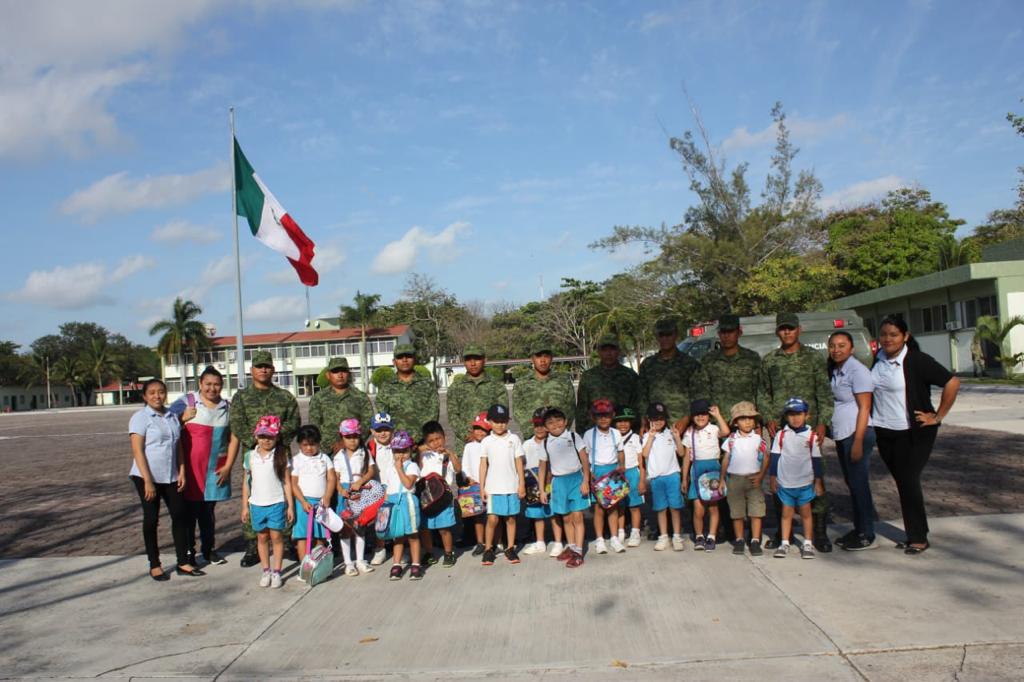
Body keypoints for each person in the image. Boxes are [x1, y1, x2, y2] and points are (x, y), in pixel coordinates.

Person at [871, 315, 959, 555]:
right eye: (884, 334)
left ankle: (919, 537)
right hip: (884, 431)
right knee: (903, 482)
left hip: (914, 432)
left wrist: (937, 416)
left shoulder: (917, 360)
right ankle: (914, 533)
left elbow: (952, 383)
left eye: (894, 335)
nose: (888, 339)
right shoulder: (876, 360)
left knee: (909, 481)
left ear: (905, 337)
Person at [757, 313, 834, 552]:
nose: (786, 333)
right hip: (782, 431)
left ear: (799, 330)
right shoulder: (770, 360)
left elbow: (824, 392)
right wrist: (769, 416)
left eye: (790, 329)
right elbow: (763, 393)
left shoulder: (813, 357)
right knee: (781, 477)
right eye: (782, 329)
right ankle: (784, 532)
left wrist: (822, 422)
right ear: (777, 332)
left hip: (808, 430)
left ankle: (819, 532)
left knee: (814, 475)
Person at [227, 350, 301, 567]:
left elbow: (294, 422)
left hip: (279, 455)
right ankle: (252, 547)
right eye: (259, 366)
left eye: (267, 366)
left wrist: (274, 440)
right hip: (253, 454)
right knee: (254, 494)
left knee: (283, 493)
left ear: (273, 370)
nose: (263, 370)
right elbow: (237, 423)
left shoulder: (284, 397)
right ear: (252, 371)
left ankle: (286, 543)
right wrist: (259, 440)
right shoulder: (241, 397)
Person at [692, 313, 762, 541]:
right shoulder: (709, 361)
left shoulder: (752, 359)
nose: (727, 335)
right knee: (720, 477)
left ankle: (750, 529)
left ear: (739, 332)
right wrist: (708, 426)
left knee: (748, 475)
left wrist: (757, 424)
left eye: (731, 331)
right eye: (723, 331)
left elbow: (759, 391)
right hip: (718, 428)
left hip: (747, 426)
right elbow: (702, 392)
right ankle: (725, 526)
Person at [128, 379, 200, 581]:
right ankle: (155, 564)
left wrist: (182, 470)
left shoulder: (171, 417)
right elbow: (137, 450)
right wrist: (148, 481)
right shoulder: (140, 418)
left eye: (161, 392)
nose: (157, 396)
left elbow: (178, 446)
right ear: (144, 396)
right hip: (146, 476)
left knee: (180, 515)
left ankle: (182, 561)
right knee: (151, 519)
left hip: (171, 475)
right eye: (152, 393)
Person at [169, 365, 231, 567]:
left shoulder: (227, 407)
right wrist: (181, 418)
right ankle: (189, 552)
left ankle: (209, 549)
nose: (212, 389)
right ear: (200, 384)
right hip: (190, 470)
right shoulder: (186, 402)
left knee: (208, 512)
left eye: (217, 385)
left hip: (214, 469)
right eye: (208, 384)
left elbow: (233, 439)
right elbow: (165, 425)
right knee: (189, 513)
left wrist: (228, 465)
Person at [827, 331, 878, 551]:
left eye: (842, 345)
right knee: (853, 484)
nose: (836, 350)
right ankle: (858, 529)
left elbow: (865, 407)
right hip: (843, 433)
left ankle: (866, 533)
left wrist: (857, 441)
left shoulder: (858, 371)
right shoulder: (838, 369)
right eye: (833, 346)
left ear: (852, 348)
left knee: (859, 484)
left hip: (856, 433)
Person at [240, 415, 295, 588]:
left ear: (277, 437)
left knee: (277, 537)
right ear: (256, 436)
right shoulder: (250, 456)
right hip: (256, 504)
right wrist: (245, 506)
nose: (266, 440)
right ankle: (266, 570)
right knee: (262, 537)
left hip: (276, 503)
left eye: (270, 436)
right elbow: (246, 483)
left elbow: (286, 482)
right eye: (262, 436)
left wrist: (290, 505)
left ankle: (277, 571)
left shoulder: (281, 455)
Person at [769, 398, 824, 560]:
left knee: (806, 513)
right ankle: (784, 542)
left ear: (807, 415)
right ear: (786, 417)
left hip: (805, 483)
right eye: (791, 414)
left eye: (799, 414)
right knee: (786, 514)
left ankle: (808, 543)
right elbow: (774, 457)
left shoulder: (812, 436)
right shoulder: (781, 435)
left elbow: (816, 460)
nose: (795, 418)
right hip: (786, 483)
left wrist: (818, 481)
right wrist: (772, 478)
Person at [537, 407, 591, 568]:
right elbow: (542, 468)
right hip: (559, 483)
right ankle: (572, 547)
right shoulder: (546, 442)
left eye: (559, 420)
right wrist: (541, 490)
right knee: (566, 517)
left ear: (565, 421)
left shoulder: (574, 437)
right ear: (545, 427)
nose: (555, 425)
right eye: (550, 422)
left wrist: (586, 480)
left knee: (578, 516)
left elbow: (585, 460)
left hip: (576, 480)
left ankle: (579, 552)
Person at [479, 404, 526, 566]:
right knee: (492, 519)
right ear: (489, 422)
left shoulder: (514, 439)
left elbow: (519, 462)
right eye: (496, 421)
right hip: (493, 488)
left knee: (511, 519)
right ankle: (488, 549)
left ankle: (510, 548)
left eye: (503, 421)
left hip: (511, 486)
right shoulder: (486, 441)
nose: (500, 425)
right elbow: (483, 464)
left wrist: (521, 484)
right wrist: (481, 487)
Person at [719, 402, 769, 556]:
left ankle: (754, 540)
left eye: (750, 418)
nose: (747, 422)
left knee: (756, 511)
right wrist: (722, 479)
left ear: (755, 421)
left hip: (753, 480)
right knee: (737, 512)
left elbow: (766, 457)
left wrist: (761, 475)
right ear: (735, 422)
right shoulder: (732, 440)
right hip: (735, 480)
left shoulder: (758, 439)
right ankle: (739, 539)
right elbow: (726, 459)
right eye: (742, 419)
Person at [637, 318, 701, 434]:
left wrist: (686, 419)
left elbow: (698, 394)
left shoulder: (690, 364)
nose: (665, 339)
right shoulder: (648, 364)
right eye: (661, 335)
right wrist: (644, 419)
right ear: (657, 337)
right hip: (655, 426)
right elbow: (642, 396)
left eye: (669, 334)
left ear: (675, 335)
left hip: (683, 426)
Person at [682, 400, 730, 551]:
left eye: (703, 414)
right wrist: (684, 478)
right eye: (697, 414)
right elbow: (686, 457)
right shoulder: (690, 432)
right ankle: (699, 536)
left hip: (713, 469)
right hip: (697, 470)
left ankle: (711, 536)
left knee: (713, 507)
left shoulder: (714, 428)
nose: (700, 417)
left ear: (708, 415)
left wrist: (718, 415)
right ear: (692, 416)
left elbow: (726, 432)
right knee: (698, 508)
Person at [639, 402, 687, 552]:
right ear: (649, 419)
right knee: (660, 508)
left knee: (675, 508)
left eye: (661, 418)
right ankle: (663, 536)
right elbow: (645, 454)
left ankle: (677, 536)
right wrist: (651, 438)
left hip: (672, 476)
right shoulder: (647, 436)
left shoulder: (670, 434)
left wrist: (677, 438)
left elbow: (681, 453)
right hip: (657, 478)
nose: (658, 422)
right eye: (655, 418)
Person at [445, 345, 507, 455]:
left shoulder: (496, 385)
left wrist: (487, 434)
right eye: (468, 359)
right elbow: (453, 415)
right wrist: (467, 434)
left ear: (484, 360)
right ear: (464, 362)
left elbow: (502, 413)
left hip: (492, 443)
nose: (473, 363)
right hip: (465, 445)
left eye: (477, 359)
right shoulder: (455, 387)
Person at [583, 399, 626, 554]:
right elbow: (585, 456)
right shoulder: (588, 434)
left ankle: (614, 538)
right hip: (597, 472)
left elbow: (620, 452)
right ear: (593, 417)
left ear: (612, 415)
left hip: (613, 472)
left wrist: (621, 467)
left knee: (613, 507)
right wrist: (589, 474)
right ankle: (600, 539)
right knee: (599, 508)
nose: (603, 418)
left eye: (606, 415)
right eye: (599, 415)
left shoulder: (616, 433)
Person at [333, 418, 375, 575]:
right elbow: (335, 476)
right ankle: (348, 562)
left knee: (360, 527)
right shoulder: (338, 456)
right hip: (345, 492)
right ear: (342, 437)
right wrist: (340, 489)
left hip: (360, 491)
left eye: (355, 437)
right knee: (346, 528)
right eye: (348, 437)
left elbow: (371, 471)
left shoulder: (364, 453)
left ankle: (360, 560)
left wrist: (361, 482)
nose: (352, 441)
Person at [290, 425, 336, 569]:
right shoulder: (296, 460)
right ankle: (305, 566)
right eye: (305, 445)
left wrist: (327, 497)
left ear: (318, 443)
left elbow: (331, 479)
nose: (309, 448)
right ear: (299, 444)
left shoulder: (325, 458)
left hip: (321, 503)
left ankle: (319, 565)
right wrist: (303, 501)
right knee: (303, 535)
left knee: (320, 535)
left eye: (313, 444)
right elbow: (294, 484)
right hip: (303, 504)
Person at [374, 343, 440, 443]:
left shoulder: (427, 384)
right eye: (400, 357)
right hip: (396, 443)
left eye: (408, 356)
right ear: (394, 361)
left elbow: (433, 414)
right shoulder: (386, 387)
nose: (404, 360)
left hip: (423, 443)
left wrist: (420, 437)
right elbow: (384, 418)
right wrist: (399, 438)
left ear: (415, 359)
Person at [380, 430, 423, 580]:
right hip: (392, 502)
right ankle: (396, 564)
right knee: (397, 536)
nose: (401, 455)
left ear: (411, 450)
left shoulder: (412, 466)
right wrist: (384, 506)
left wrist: (399, 469)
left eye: (404, 451)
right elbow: (387, 487)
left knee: (412, 534)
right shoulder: (389, 467)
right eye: (397, 451)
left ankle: (416, 564)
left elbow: (408, 483)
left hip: (407, 501)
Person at [308, 356, 373, 455]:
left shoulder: (360, 397)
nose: (340, 375)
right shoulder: (318, 398)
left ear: (349, 374)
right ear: (328, 375)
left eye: (343, 371)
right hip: (326, 453)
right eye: (335, 371)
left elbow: (368, 423)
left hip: (354, 451)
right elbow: (314, 425)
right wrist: (328, 446)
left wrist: (348, 443)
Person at [575, 336, 639, 436]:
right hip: (595, 434)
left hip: (623, 433)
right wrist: (581, 435)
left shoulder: (630, 376)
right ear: (599, 352)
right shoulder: (589, 376)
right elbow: (581, 409)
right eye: (604, 350)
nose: (608, 353)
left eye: (612, 349)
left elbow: (637, 406)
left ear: (618, 351)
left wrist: (635, 432)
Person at [418, 420, 461, 567]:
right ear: (426, 442)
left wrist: (449, 453)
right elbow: (416, 453)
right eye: (431, 441)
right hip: (426, 497)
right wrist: (426, 447)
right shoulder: (424, 455)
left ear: (444, 437)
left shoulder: (448, 456)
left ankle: (449, 553)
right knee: (425, 528)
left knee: (444, 528)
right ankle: (429, 553)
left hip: (443, 498)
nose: (436, 443)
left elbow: (458, 468)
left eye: (438, 438)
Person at [522, 407, 564, 556]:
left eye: (542, 425)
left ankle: (558, 542)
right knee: (537, 514)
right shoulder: (526, 444)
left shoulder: (553, 442)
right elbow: (521, 464)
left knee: (553, 514)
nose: (539, 429)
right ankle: (540, 542)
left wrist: (549, 478)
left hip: (550, 481)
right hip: (532, 484)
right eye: (536, 425)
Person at [512, 341, 576, 436]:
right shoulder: (521, 384)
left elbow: (570, 410)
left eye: (546, 356)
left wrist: (557, 430)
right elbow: (518, 412)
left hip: (559, 437)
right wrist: (535, 431)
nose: (543, 360)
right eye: (538, 356)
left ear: (551, 358)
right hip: (534, 439)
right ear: (532, 359)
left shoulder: (564, 382)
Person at [613, 407, 646, 547]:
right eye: (619, 421)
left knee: (634, 506)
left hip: (633, 473)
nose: (623, 424)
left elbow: (641, 462)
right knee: (619, 505)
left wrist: (642, 481)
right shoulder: (612, 436)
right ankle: (620, 531)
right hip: (617, 475)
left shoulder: (635, 438)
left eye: (626, 421)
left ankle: (635, 532)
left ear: (631, 423)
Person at [367, 412, 396, 566]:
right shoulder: (370, 447)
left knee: (397, 518)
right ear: (372, 431)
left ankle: (400, 548)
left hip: (395, 486)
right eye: (378, 430)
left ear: (392, 430)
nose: (383, 433)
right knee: (380, 519)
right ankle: (380, 548)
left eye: (386, 429)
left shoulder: (398, 444)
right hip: (378, 487)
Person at [460, 412, 491, 555]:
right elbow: (465, 465)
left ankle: (494, 541)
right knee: (478, 515)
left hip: (491, 484)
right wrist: (469, 478)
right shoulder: (469, 447)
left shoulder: (491, 444)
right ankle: (480, 542)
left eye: (483, 429)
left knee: (493, 514)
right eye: (477, 428)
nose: (479, 432)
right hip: (475, 485)